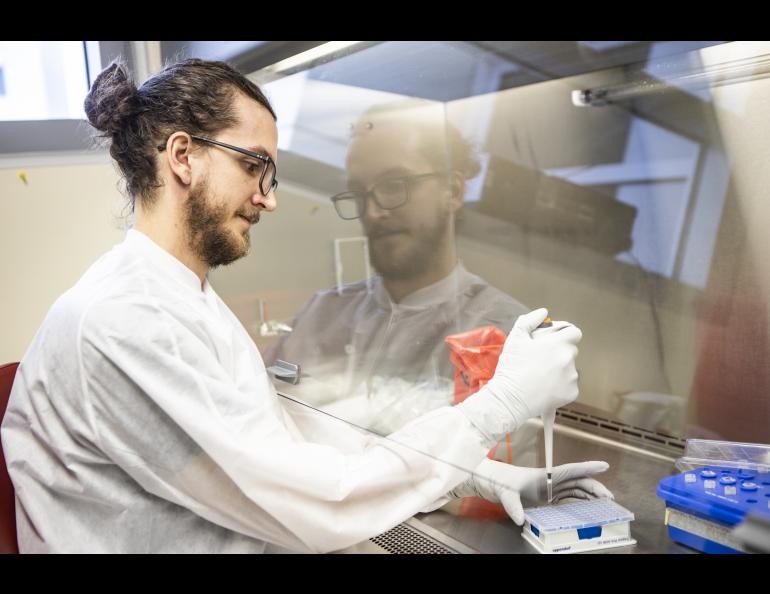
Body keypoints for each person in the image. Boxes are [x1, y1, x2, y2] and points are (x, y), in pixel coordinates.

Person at [1, 58, 611, 553]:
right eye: (255, 166)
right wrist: (494, 410)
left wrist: (478, 472)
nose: (269, 200)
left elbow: (278, 437)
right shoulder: (120, 321)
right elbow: (318, 502)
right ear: (183, 156)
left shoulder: (179, 298)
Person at [265, 102, 528, 434]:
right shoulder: (322, 314)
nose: (373, 212)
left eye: (393, 185)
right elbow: (268, 399)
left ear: (454, 191)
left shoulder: (505, 330)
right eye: (359, 193)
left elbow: (496, 462)